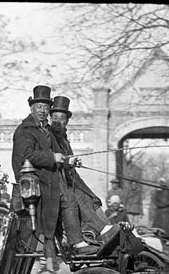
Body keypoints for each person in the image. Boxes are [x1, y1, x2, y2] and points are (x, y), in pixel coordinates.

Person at [11, 85, 98, 255]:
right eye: (39, 107)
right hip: (33, 181)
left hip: (48, 176)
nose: (43, 110)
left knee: (78, 196)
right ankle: (76, 242)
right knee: (68, 199)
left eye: (45, 107)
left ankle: (93, 234)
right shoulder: (24, 130)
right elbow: (25, 156)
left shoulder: (47, 130)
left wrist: (69, 160)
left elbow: (60, 153)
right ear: (32, 108)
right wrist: (52, 158)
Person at [48, 95, 117, 246]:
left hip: (67, 180)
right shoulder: (48, 136)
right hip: (54, 182)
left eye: (62, 118)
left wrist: (72, 163)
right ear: (50, 118)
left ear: (67, 121)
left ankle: (100, 233)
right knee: (78, 195)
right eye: (55, 117)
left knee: (91, 198)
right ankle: (99, 230)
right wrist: (66, 161)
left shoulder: (64, 140)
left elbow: (70, 169)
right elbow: (49, 159)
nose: (58, 122)